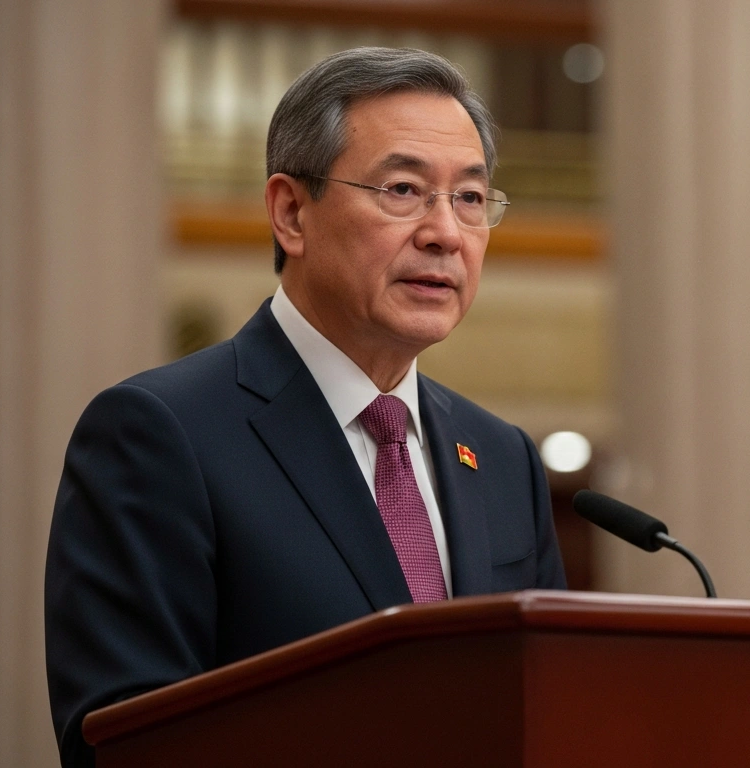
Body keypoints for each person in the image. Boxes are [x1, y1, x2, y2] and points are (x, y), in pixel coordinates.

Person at [44, 47, 566, 767]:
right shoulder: (161, 434)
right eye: (404, 189)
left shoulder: (501, 455)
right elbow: (125, 741)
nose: (446, 232)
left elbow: (551, 712)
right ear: (291, 212)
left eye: (471, 198)